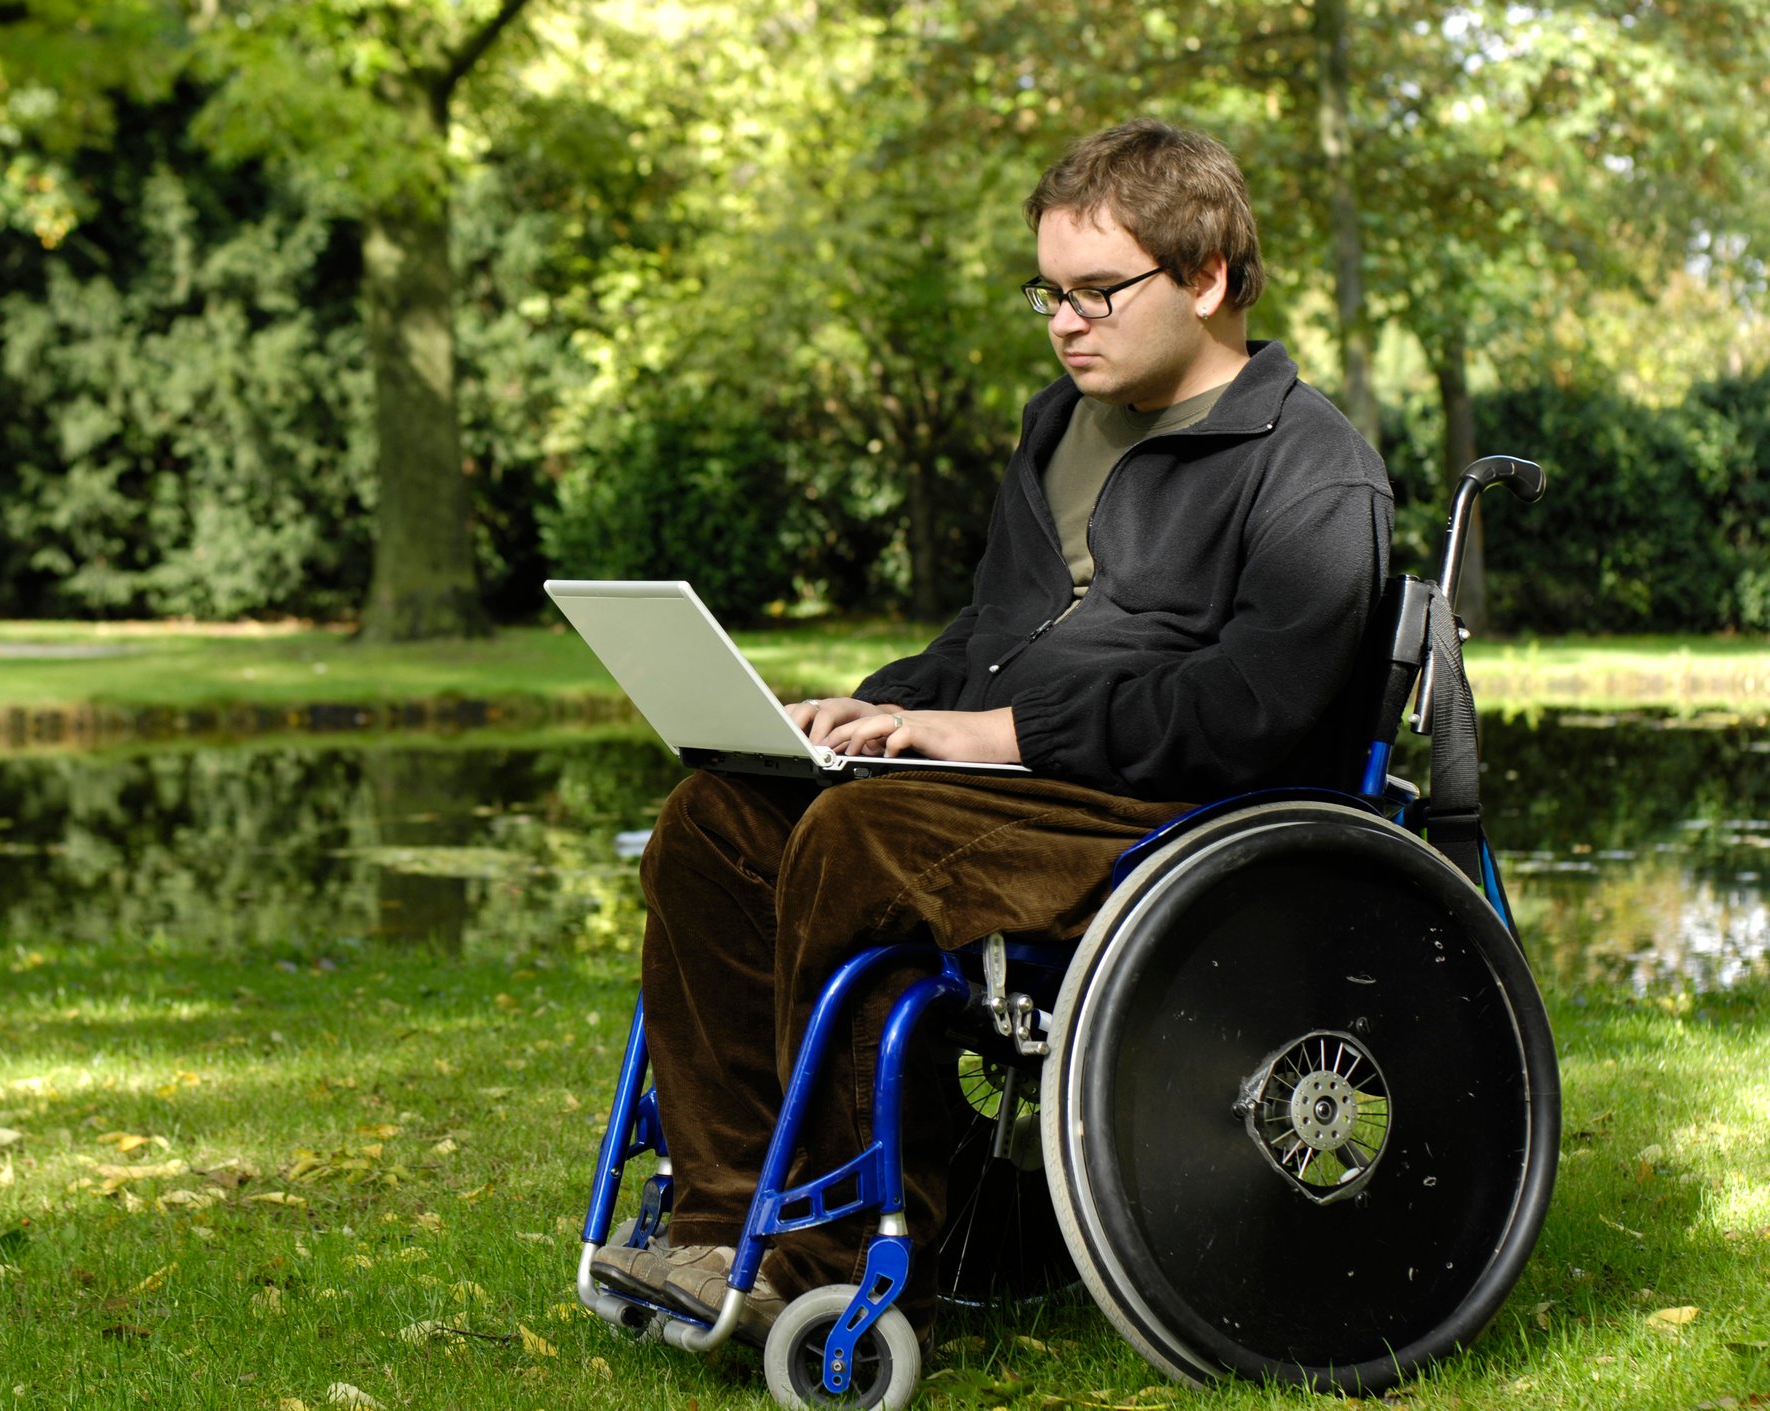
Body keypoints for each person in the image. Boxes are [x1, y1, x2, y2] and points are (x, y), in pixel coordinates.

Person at [590, 117, 1393, 1348]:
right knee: (716, 819)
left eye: (1097, 291)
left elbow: (1249, 717)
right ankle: (718, 1221)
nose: (1065, 322)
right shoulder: (1057, 428)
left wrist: (994, 734)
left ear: (1209, 277)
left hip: (1167, 821)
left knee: (863, 837)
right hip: (1002, 788)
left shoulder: (1310, 467)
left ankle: (829, 1251)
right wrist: (871, 710)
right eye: (1048, 293)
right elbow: (989, 634)